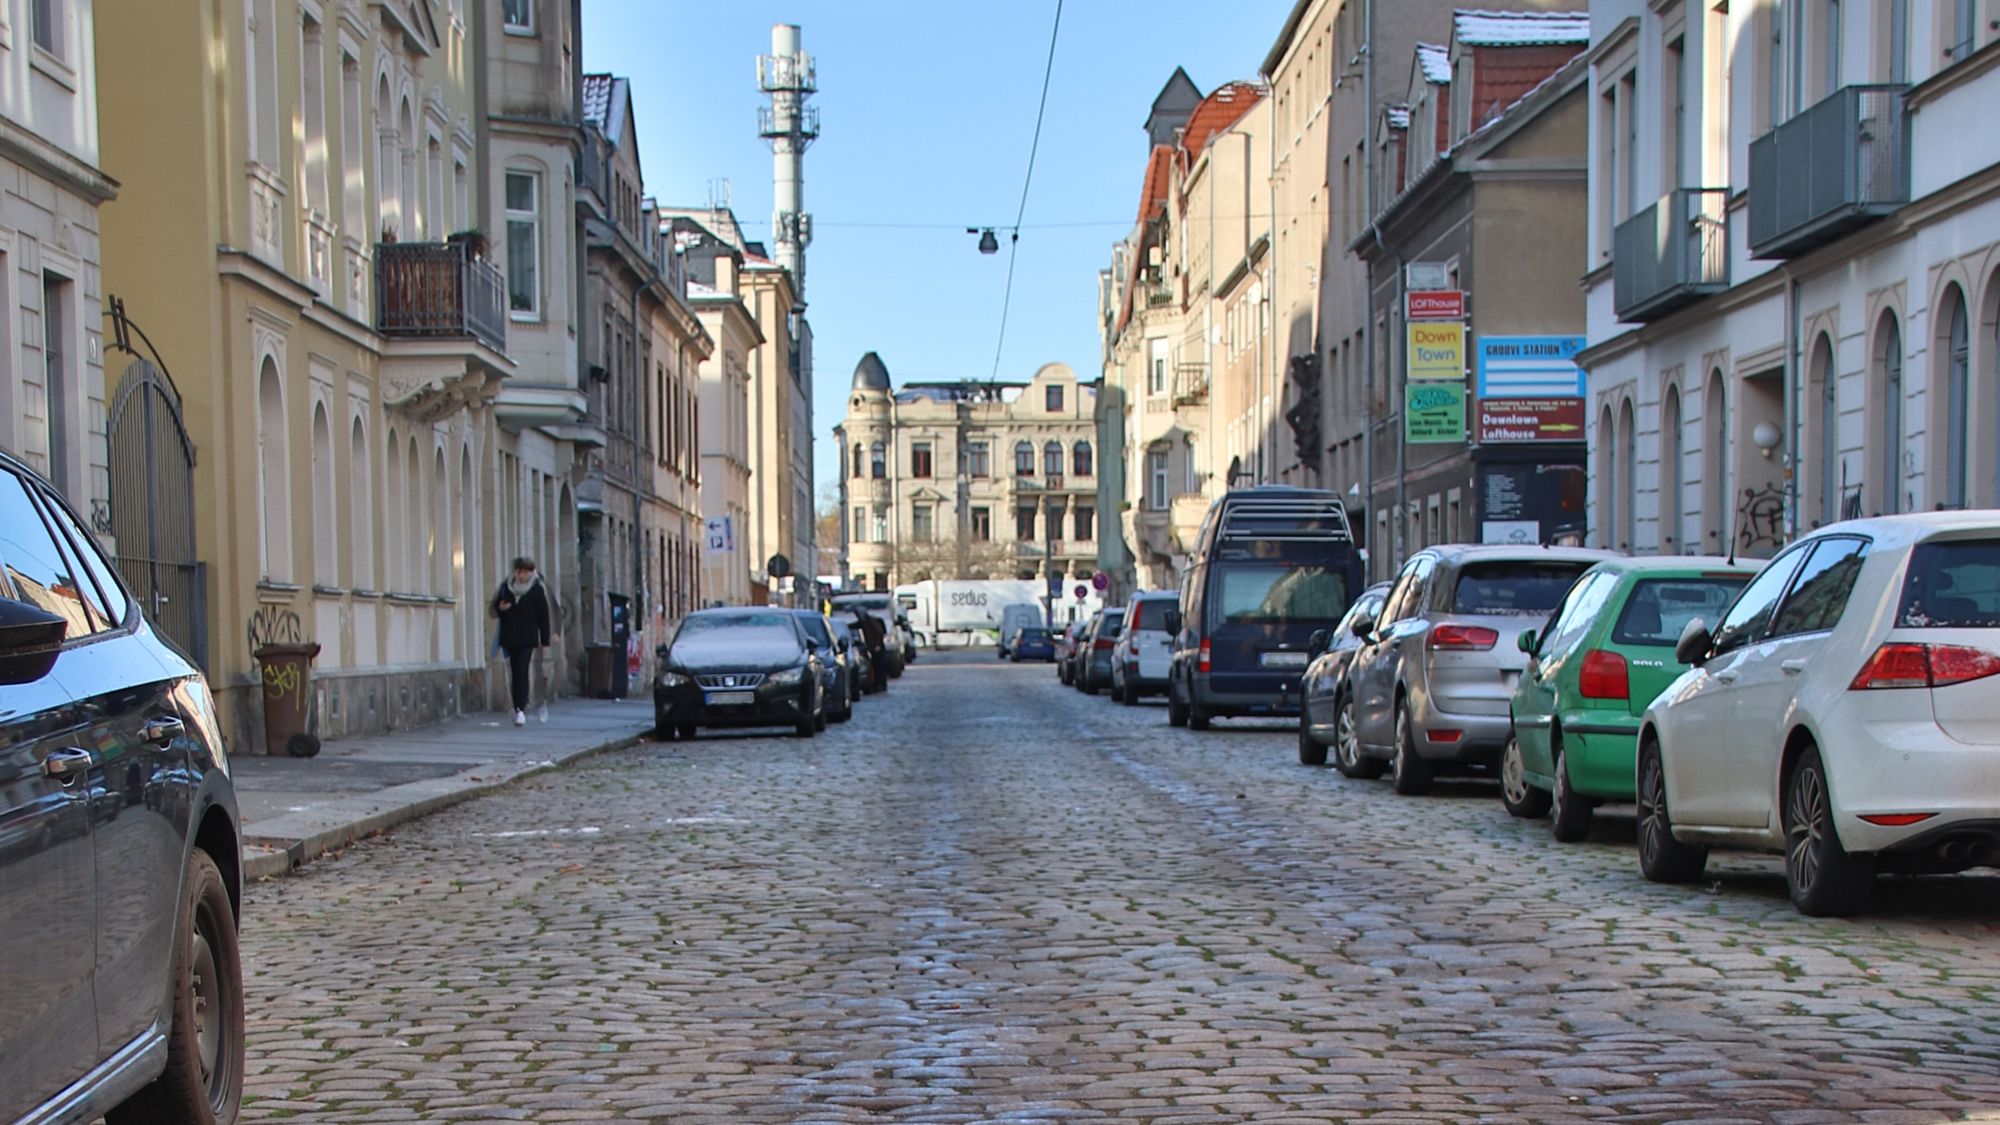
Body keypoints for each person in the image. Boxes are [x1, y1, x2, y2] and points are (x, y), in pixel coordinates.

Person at [491, 557, 553, 726]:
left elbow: (544, 616)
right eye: (519, 571)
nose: (521, 575)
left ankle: (521, 708)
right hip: (510, 636)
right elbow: (495, 607)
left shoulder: (537, 589)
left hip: (528, 637)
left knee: (522, 669)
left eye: (525, 572)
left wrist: (545, 640)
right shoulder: (506, 587)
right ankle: (517, 706)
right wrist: (501, 608)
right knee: (514, 672)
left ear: (530, 573)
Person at [855, 611, 889, 694]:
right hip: (874, 647)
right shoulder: (865, 621)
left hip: (877, 648)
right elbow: (856, 625)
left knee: (879, 667)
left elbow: (879, 632)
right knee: (877, 667)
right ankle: (878, 685)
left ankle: (880, 686)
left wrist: (877, 645)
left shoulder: (870, 622)